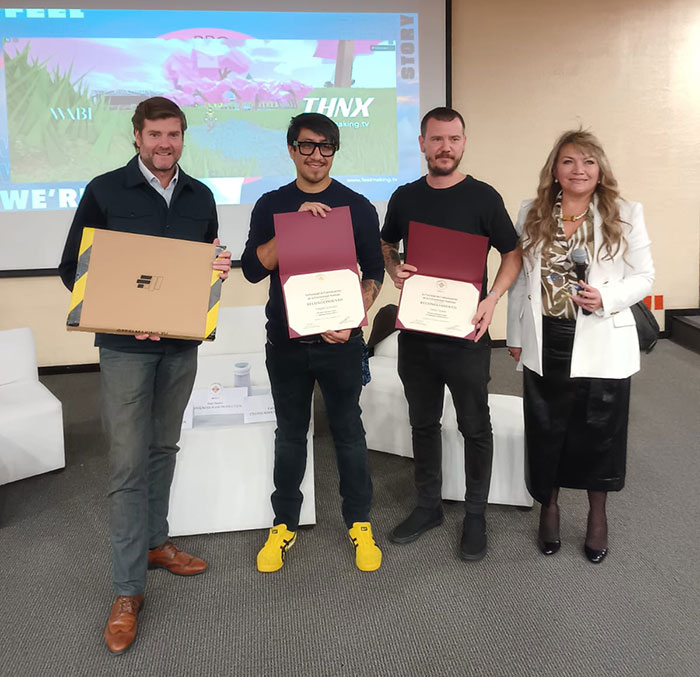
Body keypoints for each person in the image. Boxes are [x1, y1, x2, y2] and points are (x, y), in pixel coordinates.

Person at [58, 96, 232, 654]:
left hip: (181, 347)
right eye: (155, 134)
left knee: (163, 447)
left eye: (174, 134)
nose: (165, 144)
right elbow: (73, 270)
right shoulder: (105, 190)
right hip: (125, 350)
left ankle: (156, 543)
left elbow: (202, 264)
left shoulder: (201, 195)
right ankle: (127, 590)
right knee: (128, 463)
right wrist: (128, 317)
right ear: (136, 136)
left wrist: (217, 269)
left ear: (184, 137)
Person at [241, 112, 385, 573]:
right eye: (307, 146)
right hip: (285, 341)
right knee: (290, 434)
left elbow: (374, 273)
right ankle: (283, 524)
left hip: (340, 342)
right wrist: (291, 230)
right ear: (291, 150)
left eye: (325, 147)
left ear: (334, 152)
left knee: (348, 432)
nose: (316, 155)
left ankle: (359, 522)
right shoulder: (270, 205)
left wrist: (355, 318)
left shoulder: (358, 207)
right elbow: (251, 268)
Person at [506, 129, 654, 563]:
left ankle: (596, 516)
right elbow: (519, 282)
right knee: (547, 428)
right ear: (555, 168)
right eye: (569, 161)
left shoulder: (624, 213)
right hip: (546, 339)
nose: (579, 170)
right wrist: (515, 336)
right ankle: (548, 508)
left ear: (600, 169)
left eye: (588, 162)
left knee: (599, 434)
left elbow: (644, 276)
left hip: (601, 339)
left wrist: (606, 298)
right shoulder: (532, 212)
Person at [380, 107, 521, 561]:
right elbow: (387, 242)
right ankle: (428, 506)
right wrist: (393, 266)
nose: (445, 147)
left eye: (454, 139)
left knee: (474, 425)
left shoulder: (483, 198)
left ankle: (475, 514)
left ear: (464, 143)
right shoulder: (404, 197)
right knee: (423, 422)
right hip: (417, 336)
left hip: (465, 334)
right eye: (437, 139)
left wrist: (492, 297)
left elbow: (512, 254)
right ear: (422, 143)